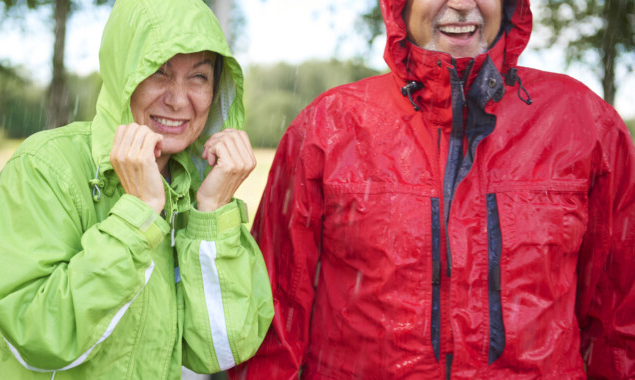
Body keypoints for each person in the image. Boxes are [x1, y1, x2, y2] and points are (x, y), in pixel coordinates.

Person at [229, 0, 635, 377]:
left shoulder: (583, 124)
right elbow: (275, 315)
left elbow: (619, 315)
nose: (461, 5)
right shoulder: (327, 127)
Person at [0, 0, 273, 378]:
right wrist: (138, 215)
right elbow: (39, 335)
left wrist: (211, 212)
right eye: (158, 72)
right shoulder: (44, 167)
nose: (178, 99)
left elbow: (221, 348)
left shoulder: (190, 190)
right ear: (123, 74)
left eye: (199, 77)